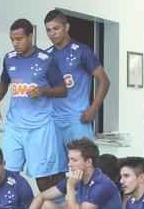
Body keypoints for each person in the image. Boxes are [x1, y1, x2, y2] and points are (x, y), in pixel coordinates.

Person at [0, 18, 67, 191]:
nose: (15, 43)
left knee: (43, 177)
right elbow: (3, 82)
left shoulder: (46, 59)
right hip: (14, 126)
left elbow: (62, 89)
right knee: (8, 174)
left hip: (39, 128)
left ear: (30, 36)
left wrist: (44, 91)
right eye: (12, 39)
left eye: (19, 39)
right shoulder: (9, 58)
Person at [44, 9, 110, 147]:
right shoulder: (46, 56)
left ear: (66, 27)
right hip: (52, 120)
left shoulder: (82, 51)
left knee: (82, 165)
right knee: (55, 167)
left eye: (56, 28)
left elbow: (104, 80)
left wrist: (94, 108)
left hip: (77, 119)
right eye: (48, 30)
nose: (52, 33)